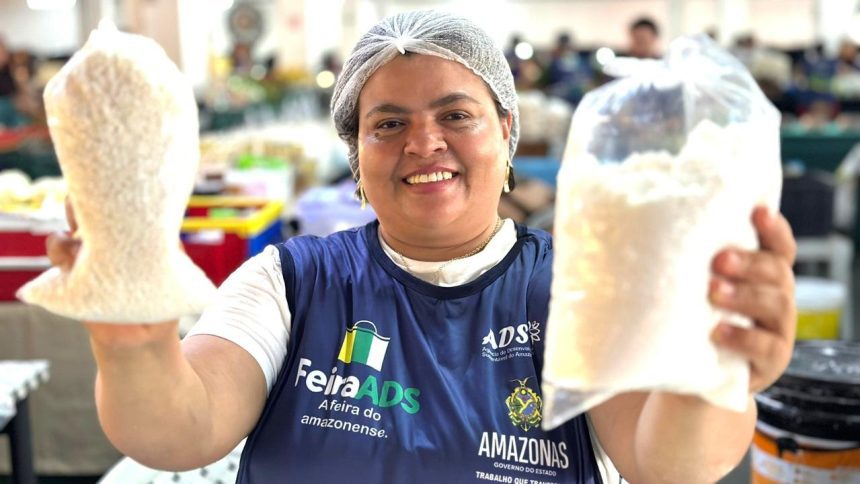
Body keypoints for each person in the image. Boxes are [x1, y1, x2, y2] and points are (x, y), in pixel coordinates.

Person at [49, 10, 797, 483]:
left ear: (507, 136)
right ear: (357, 160)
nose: (423, 143)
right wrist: (135, 341)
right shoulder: (289, 281)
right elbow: (178, 432)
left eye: (456, 115)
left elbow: (667, 465)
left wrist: (711, 367)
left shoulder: (578, 291)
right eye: (388, 124)